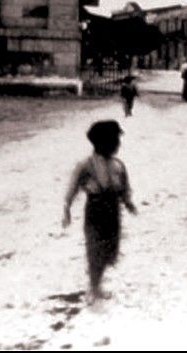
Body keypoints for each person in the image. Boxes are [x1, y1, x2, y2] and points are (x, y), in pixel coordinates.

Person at [63, 120, 137, 304]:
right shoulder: (86, 165)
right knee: (94, 249)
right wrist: (67, 208)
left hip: (113, 212)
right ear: (99, 143)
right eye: (113, 141)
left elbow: (124, 187)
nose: (117, 145)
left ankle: (97, 283)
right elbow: (73, 187)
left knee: (109, 250)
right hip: (95, 211)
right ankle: (94, 286)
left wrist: (128, 203)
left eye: (117, 141)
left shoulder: (118, 165)